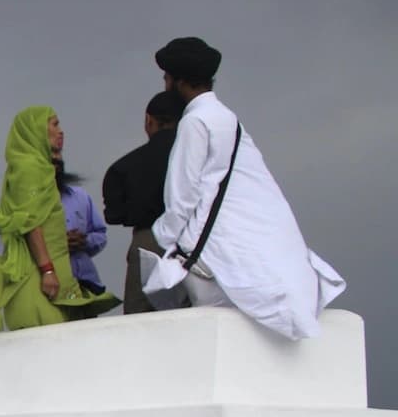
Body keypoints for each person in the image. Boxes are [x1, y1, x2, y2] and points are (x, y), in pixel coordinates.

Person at [142, 37, 344, 339]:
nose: (164, 83)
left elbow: (182, 198)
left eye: (166, 77)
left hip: (215, 261)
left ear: (178, 81)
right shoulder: (228, 118)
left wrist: (163, 239)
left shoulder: (194, 122)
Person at [0, 106, 118, 330]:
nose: (61, 132)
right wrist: (48, 271)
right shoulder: (29, 169)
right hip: (39, 280)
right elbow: (31, 223)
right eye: (54, 124)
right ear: (35, 131)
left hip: (61, 277)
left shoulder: (39, 170)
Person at [101, 90, 187, 313]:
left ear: (149, 121)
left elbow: (113, 214)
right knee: (189, 313)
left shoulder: (123, 167)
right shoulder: (194, 159)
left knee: (140, 318)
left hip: (147, 241)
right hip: (189, 239)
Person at [57, 165, 108, 318]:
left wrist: (84, 241)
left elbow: (100, 234)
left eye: (58, 154)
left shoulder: (79, 195)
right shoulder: (29, 202)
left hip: (85, 283)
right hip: (53, 287)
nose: (56, 162)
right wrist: (58, 243)